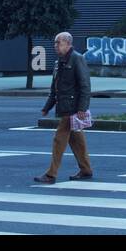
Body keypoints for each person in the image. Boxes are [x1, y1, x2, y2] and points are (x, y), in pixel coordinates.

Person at [35, 32, 93, 184]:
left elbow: (85, 86)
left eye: (58, 43)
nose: (55, 46)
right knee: (77, 141)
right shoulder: (58, 62)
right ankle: (86, 170)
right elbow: (55, 89)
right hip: (64, 107)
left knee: (58, 140)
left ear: (68, 44)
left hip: (72, 109)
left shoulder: (77, 59)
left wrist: (82, 108)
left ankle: (51, 174)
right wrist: (47, 107)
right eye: (55, 43)